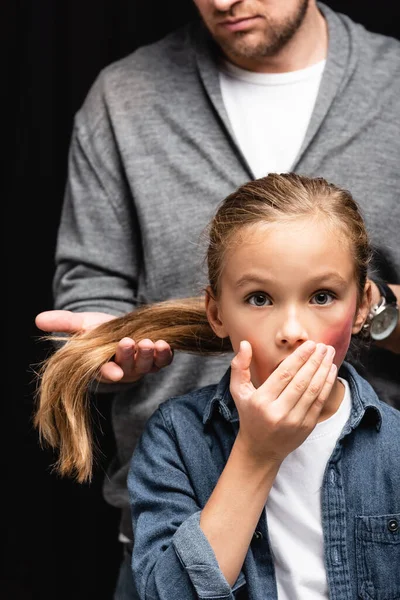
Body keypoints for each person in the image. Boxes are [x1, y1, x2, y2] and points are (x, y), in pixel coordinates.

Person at [34, 0, 400, 595]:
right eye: (258, 298)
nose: (225, 2)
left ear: (358, 304)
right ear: (215, 310)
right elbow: (89, 284)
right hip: (181, 520)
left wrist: (380, 311)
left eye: (324, 296)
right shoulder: (123, 97)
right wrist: (108, 346)